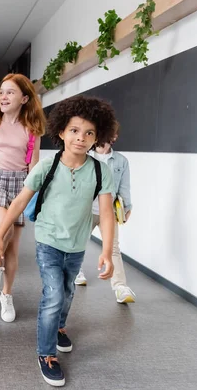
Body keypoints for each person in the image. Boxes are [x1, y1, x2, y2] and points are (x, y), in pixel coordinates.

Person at [0, 95, 116, 387]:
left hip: (77, 245)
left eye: (89, 133)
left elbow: (108, 215)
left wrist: (107, 251)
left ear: (97, 137)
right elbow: (20, 202)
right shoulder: (47, 167)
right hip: (48, 240)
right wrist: (0, 234)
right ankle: (46, 354)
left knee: (68, 291)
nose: (81, 138)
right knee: (54, 294)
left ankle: (59, 326)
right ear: (61, 132)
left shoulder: (100, 171)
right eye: (74, 130)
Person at [0, 73, 45, 322]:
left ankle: (6, 294)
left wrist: (33, 196)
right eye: (2, 92)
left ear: (25, 98)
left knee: (13, 248)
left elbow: (34, 165)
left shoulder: (32, 130)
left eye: (11, 92)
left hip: (20, 185)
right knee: (4, 228)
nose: (4, 96)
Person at [76, 121, 136, 303]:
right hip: (84, 210)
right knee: (78, 242)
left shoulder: (121, 161)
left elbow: (124, 187)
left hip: (108, 211)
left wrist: (127, 207)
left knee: (114, 248)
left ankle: (120, 287)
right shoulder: (85, 157)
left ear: (114, 137)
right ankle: (76, 272)